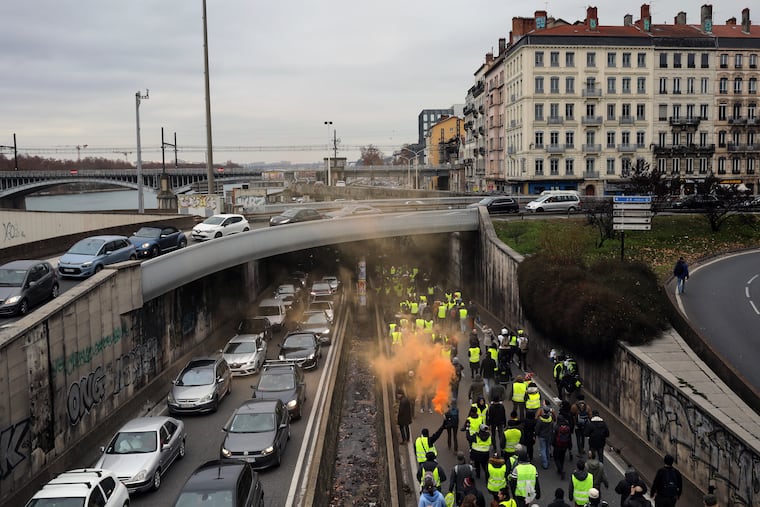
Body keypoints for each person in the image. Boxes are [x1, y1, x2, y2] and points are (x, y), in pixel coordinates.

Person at [553, 415, 573, 480]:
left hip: (557, 445)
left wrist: (553, 443)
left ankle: (561, 470)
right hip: (565, 445)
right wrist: (569, 446)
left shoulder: (556, 427)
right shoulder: (567, 428)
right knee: (562, 457)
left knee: (556, 458)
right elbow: (569, 438)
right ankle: (561, 468)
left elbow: (554, 437)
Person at [535, 405, 554, 470]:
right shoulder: (550, 419)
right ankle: (548, 461)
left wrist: (536, 434)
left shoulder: (540, 420)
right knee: (547, 448)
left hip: (542, 436)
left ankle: (545, 463)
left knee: (543, 449)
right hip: (548, 435)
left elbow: (537, 428)